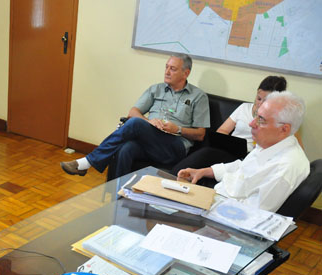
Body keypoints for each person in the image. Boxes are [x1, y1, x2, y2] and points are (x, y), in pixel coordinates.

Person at [61, 54, 209, 178]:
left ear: (186, 73)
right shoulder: (156, 89)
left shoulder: (198, 97)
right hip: (151, 140)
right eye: (166, 67)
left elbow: (200, 134)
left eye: (173, 69)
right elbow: (133, 112)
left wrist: (177, 129)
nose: (167, 72)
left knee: (135, 123)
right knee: (126, 148)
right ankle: (118, 197)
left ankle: (87, 162)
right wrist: (149, 122)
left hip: (174, 147)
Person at [177, 91, 309, 212]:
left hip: (221, 209)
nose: (251, 124)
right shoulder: (272, 143)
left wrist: (201, 200)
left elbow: (250, 213)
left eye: (261, 120)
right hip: (217, 196)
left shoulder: (285, 168)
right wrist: (202, 172)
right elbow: (242, 167)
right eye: (256, 116)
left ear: (284, 129)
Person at [172, 75, 287, 174]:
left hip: (249, 157)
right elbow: (222, 131)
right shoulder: (244, 108)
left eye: (265, 101)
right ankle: (174, 175)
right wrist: (227, 143)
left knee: (207, 153)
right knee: (206, 151)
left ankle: (175, 175)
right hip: (231, 151)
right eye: (258, 98)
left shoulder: (277, 121)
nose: (260, 104)